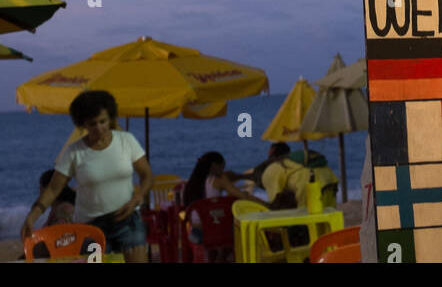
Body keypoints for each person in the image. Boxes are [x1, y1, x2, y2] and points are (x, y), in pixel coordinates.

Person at [23, 90, 153, 263]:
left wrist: (137, 199)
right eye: (93, 124)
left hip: (127, 219)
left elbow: (147, 175)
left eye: (103, 121)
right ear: (83, 124)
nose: (99, 128)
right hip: (91, 226)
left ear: (111, 118)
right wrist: (32, 216)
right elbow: (54, 189)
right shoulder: (74, 152)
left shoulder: (127, 141)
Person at [183, 152, 268, 208]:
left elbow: (231, 175)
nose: (223, 171)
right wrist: (267, 205)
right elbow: (244, 196)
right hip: (211, 225)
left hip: (194, 230)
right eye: (222, 167)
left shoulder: (194, 180)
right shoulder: (217, 181)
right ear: (214, 166)